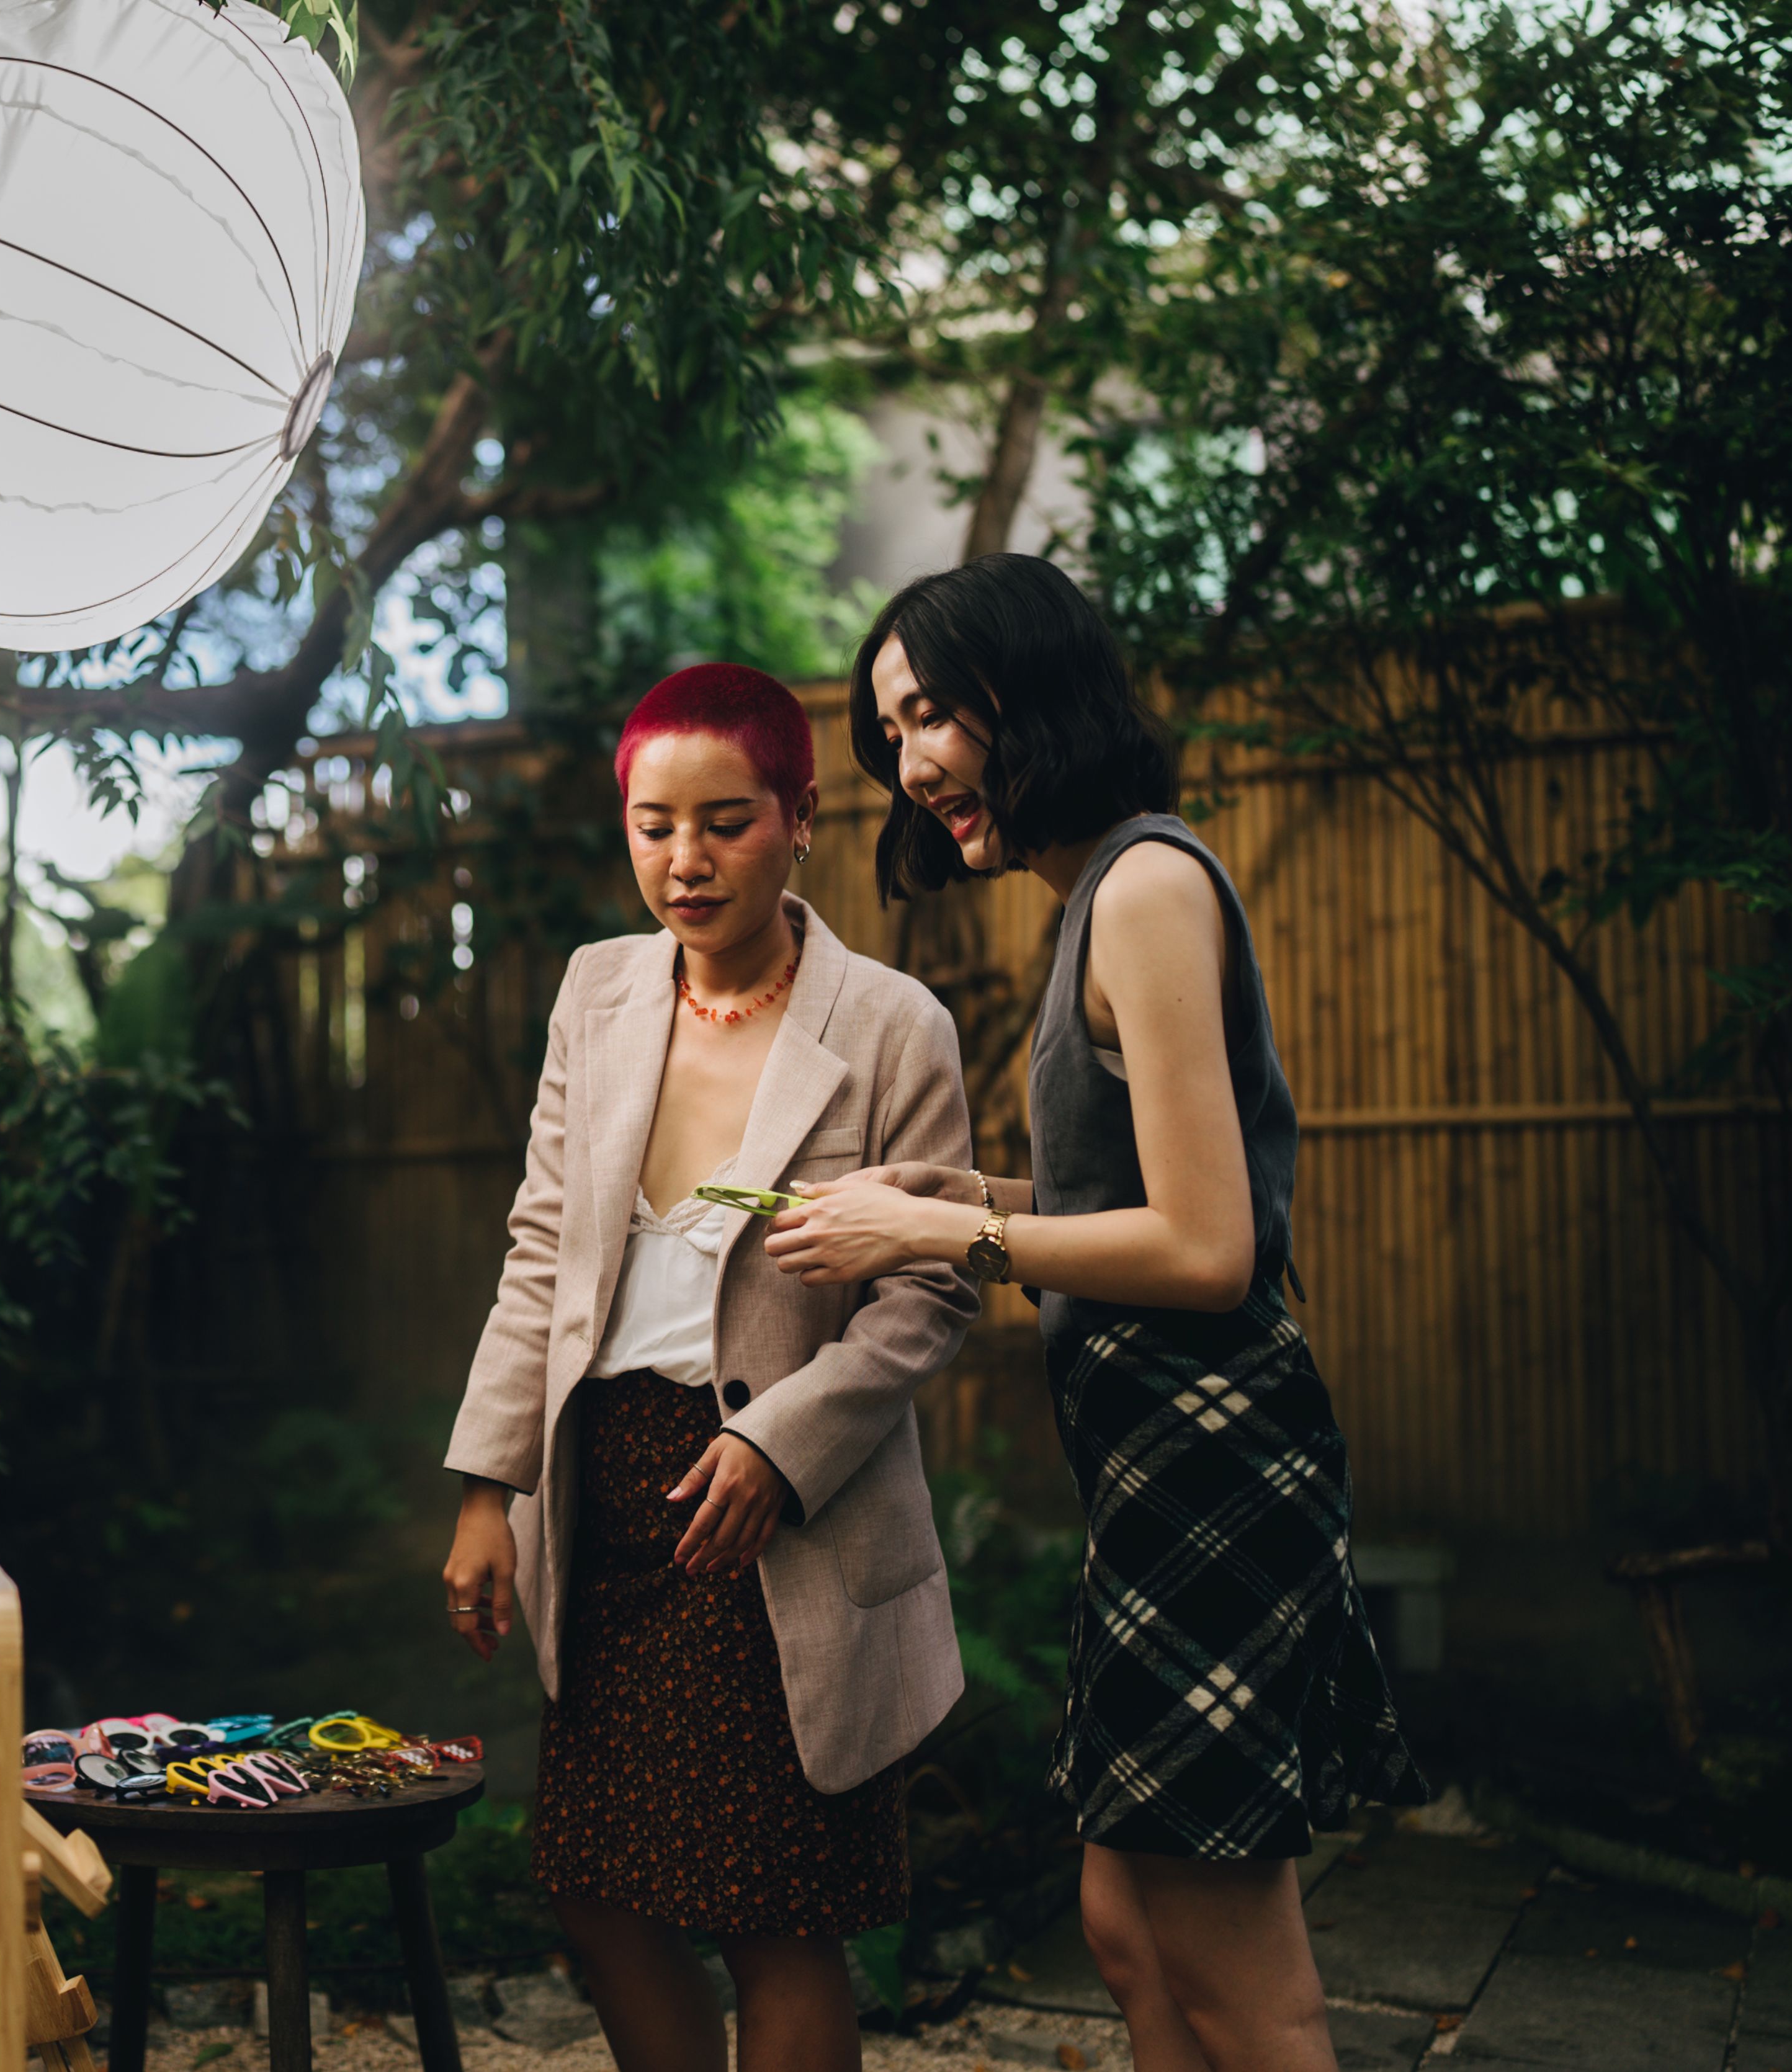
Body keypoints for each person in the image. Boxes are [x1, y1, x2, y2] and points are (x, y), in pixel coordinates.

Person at [768, 556, 1426, 2072]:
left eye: (931, 712)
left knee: (1237, 1968)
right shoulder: (1096, 897)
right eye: (892, 732)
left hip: (1214, 1463)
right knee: (1127, 1927)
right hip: (1153, 1472)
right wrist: (963, 1180)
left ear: (1032, 685)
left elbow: (1208, 1247)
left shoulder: (1142, 885)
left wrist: (949, 1226)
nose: (914, 762)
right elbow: (1141, 1188)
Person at [441, 663, 980, 2072]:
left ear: (799, 819)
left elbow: (931, 1289)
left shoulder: (889, 1025)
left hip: (773, 1516)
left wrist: (778, 1447)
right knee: (595, 1886)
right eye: (651, 823)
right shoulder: (597, 994)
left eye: (724, 821)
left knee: (777, 1914)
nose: (682, 861)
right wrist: (487, 1485)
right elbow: (542, 1246)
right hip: (604, 1494)